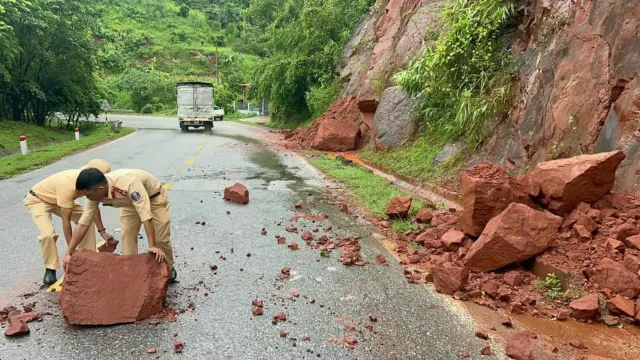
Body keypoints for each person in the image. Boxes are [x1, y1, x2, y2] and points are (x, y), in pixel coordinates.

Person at [64, 168, 176, 281]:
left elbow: (146, 216)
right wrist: (69, 253)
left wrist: (152, 246)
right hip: (129, 204)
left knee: (160, 240)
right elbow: (83, 223)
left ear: (101, 189)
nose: (88, 198)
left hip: (154, 199)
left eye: (88, 195)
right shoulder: (93, 192)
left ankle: (167, 270)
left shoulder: (128, 183)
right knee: (127, 236)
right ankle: (130, 275)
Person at [24, 159, 115, 285]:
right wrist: (70, 252)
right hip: (38, 200)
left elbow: (93, 209)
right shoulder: (70, 185)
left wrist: (102, 232)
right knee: (48, 234)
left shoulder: (88, 182)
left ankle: (88, 256)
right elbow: (65, 221)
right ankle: (50, 268)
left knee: (85, 220)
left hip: (58, 199)